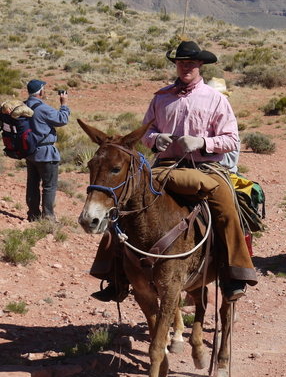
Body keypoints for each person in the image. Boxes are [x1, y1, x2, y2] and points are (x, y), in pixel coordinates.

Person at [90, 40, 257, 303]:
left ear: (200, 65)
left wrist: (203, 142)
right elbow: (146, 133)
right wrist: (157, 140)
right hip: (165, 166)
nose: (185, 67)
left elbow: (231, 140)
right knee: (122, 203)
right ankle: (115, 274)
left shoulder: (215, 100)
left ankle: (233, 273)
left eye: (190, 63)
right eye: (181, 62)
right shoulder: (161, 97)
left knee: (226, 207)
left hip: (206, 167)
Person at [23, 80, 70, 222]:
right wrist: (64, 104)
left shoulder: (23, 105)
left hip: (30, 152)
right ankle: (48, 218)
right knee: (49, 186)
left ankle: (33, 215)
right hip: (46, 153)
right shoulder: (42, 108)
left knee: (32, 184)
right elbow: (62, 119)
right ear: (41, 91)